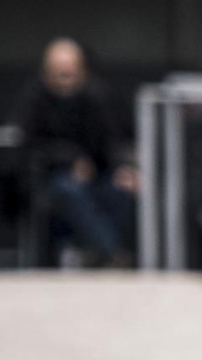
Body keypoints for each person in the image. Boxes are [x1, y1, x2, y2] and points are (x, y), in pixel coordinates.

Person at [13, 38, 137, 267]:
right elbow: (30, 145)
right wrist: (71, 160)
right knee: (68, 189)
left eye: (70, 67)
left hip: (98, 174)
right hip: (53, 177)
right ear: (47, 70)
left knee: (120, 190)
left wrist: (124, 168)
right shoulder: (34, 99)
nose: (65, 73)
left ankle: (98, 254)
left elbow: (111, 140)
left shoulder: (97, 95)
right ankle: (112, 253)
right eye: (59, 69)